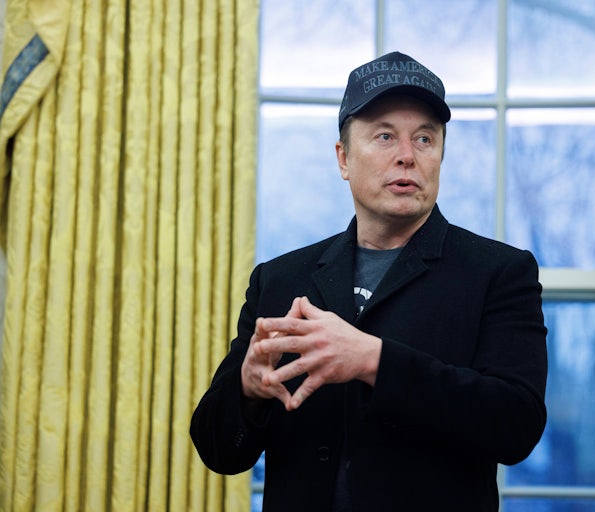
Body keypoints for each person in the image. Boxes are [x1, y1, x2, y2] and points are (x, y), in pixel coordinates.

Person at [190, 51, 548, 512]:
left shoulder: (499, 272)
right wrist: (248, 390)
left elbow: (516, 425)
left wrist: (373, 361)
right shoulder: (279, 279)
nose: (407, 156)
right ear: (343, 158)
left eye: (425, 138)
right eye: (384, 136)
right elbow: (218, 450)